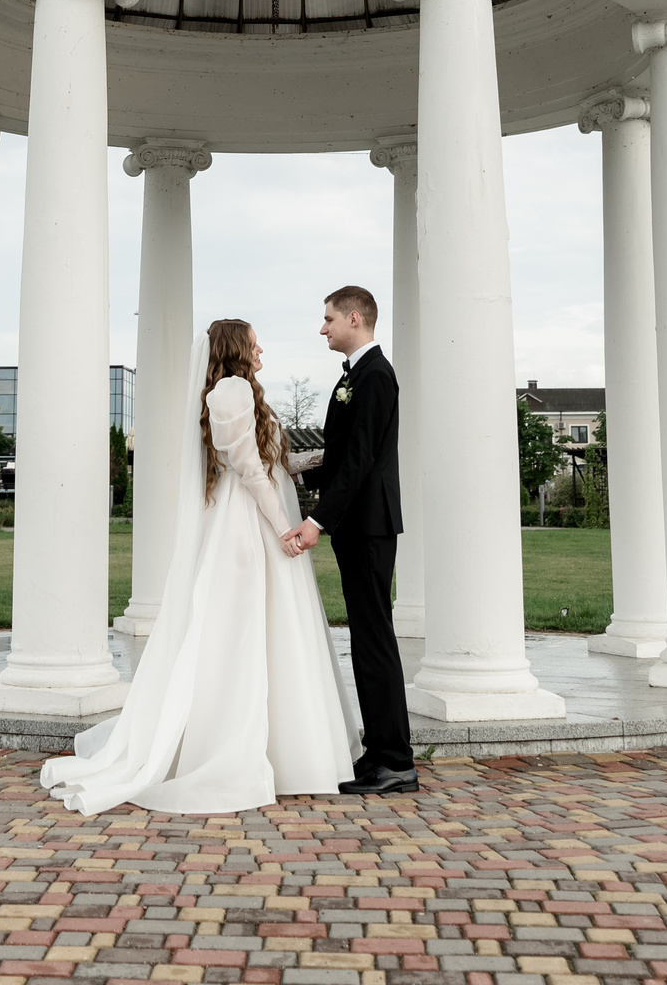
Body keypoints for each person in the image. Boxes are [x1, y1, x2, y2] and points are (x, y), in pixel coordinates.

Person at [39, 319, 357, 815]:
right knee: (244, 628)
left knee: (266, 629)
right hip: (246, 526)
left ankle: (283, 748)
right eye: (254, 342)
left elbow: (268, 462)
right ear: (236, 349)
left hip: (257, 511)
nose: (261, 350)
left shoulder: (241, 391)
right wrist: (281, 527)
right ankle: (244, 747)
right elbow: (249, 469)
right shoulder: (229, 391)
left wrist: (320, 459)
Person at [281, 286, 413, 795]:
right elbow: (342, 457)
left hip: (369, 524)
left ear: (354, 318)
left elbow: (361, 460)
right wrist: (296, 474)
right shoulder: (356, 375)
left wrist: (317, 521)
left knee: (374, 638)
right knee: (364, 637)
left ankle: (396, 760)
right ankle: (378, 750)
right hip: (358, 524)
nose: (323, 328)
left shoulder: (376, 375)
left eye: (328, 318)